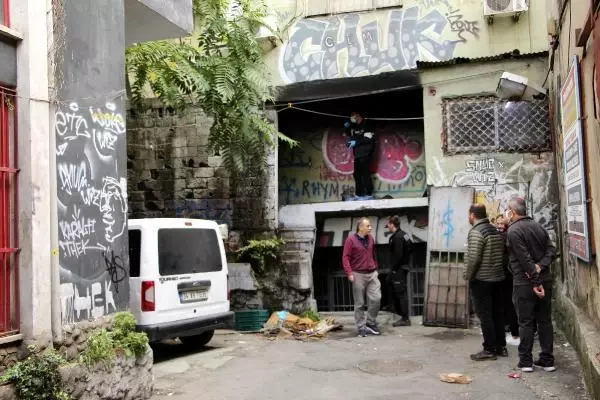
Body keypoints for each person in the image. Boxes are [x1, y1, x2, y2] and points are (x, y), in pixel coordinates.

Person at [505, 197, 556, 373]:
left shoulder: (513, 231)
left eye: (508, 211)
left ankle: (526, 361)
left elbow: (524, 258)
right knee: (544, 321)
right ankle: (547, 360)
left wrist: (535, 279)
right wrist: (541, 266)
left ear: (512, 211)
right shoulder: (538, 227)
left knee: (525, 322)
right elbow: (551, 250)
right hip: (544, 280)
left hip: (525, 284)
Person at [464, 204, 507, 361]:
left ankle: (489, 348)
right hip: (497, 278)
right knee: (497, 313)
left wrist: (468, 275)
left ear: (473, 215)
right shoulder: (494, 230)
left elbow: (474, 258)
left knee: (485, 315)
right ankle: (500, 346)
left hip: (482, 280)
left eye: (469, 214)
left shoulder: (476, 232)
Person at [342, 217, 381, 337]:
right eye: (368, 226)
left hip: (372, 273)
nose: (370, 228)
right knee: (360, 303)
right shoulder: (350, 240)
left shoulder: (371, 239)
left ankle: (370, 323)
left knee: (376, 298)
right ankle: (361, 327)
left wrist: (376, 267)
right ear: (360, 227)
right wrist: (349, 273)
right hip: (358, 274)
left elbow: (373, 253)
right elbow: (346, 257)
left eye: (370, 226)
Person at [496, 215, 520, 346]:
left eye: (502, 224)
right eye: (498, 223)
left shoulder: (504, 237)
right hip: (509, 274)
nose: (499, 226)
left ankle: (514, 331)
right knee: (508, 303)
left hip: (507, 275)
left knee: (508, 304)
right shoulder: (509, 235)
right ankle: (512, 329)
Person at [386, 215, 412, 327]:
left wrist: (393, 270)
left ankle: (405, 318)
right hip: (403, 267)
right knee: (396, 290)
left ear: (392, 224)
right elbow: (410, 247)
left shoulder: (397, 237)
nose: (388, 227)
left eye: (388, 225)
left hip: (399, 269)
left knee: (401, 293)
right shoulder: (404, 234)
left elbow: (398, 255)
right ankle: (399, 313)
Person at [344, 112, 375, 199]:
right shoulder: (355, 126)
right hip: (357, 154)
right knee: (357, 174)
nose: (352, 118)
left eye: (353, 115)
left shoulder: (367, 125)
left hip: (366, 153)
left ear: (358, 116)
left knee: (365, 174)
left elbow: (368, 139)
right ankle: (359, 195)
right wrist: (346, 126)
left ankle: (369, 194)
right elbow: (349, 134)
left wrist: (356, 142)